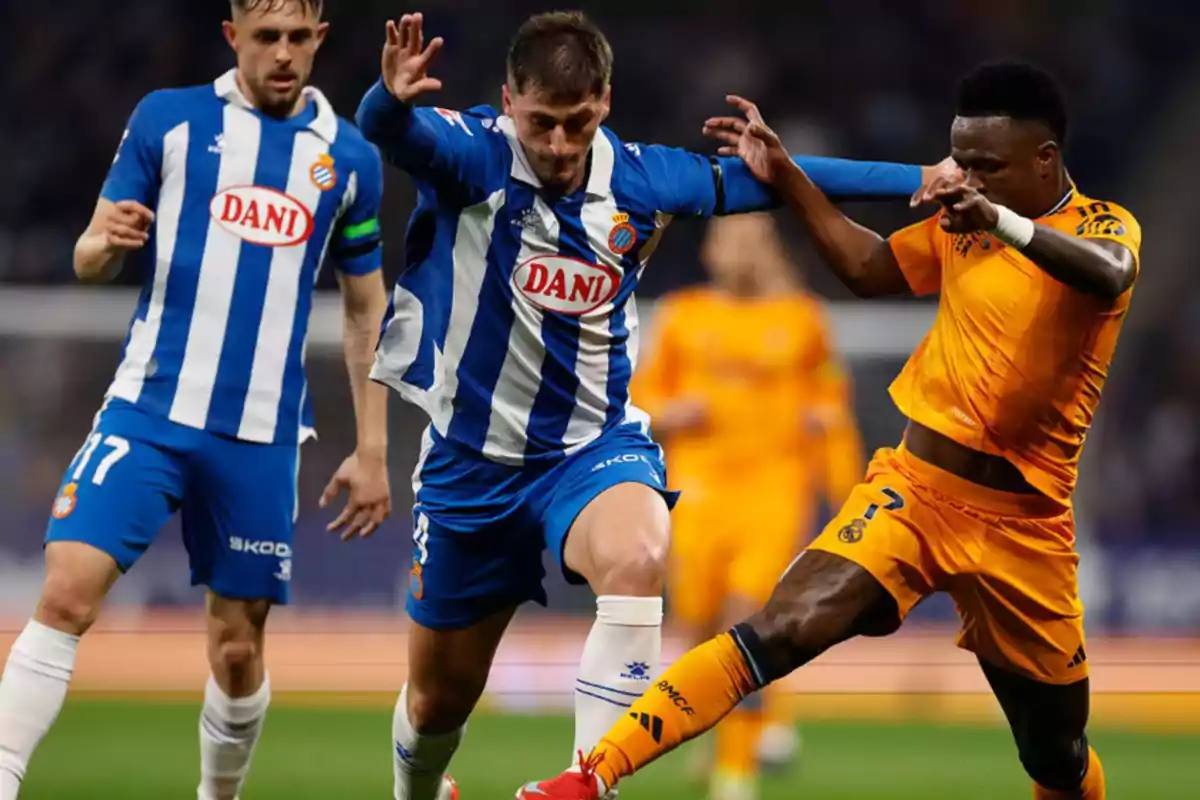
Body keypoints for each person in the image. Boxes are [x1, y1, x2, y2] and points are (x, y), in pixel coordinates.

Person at [356, 12, 952, 800]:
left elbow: (777, 175)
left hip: (589, 451)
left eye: (578, 122)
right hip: (473, 464)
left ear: (605, 101)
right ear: (509, 102)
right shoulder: (472, 155)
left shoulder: (644, 179)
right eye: (541, 124)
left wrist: (916, 178)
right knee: (437, 704)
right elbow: (387, 130)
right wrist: (386, 100)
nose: (561, 145)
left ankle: (588, 783)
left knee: (639, 556)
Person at [520, 60, 1141, 800]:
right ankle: (589, 779)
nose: (967, 178)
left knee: (1056, 755)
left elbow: (1111, 272)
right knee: (779, 627)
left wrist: (1000, 224)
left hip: (1026, 528)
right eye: (961, 160)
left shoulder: (1097, 225)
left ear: (1046, 160)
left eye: (987, 165)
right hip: (916, 494)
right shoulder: (962, 223)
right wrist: (786, 178)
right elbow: (869, 267)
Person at [0, 2, 393, 798]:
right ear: (232, 37)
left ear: (320, 38)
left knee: (238, 650)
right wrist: (99, 245)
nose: (282, 55)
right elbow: (89, 257)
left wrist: (373, 444)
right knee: (68, 590)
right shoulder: (168, 121)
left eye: (297, 39)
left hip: (259, 436)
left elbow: (364, 307)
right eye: (265, 38)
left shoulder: (349, 159)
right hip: (148, 409)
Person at [630, 213, 862, 799]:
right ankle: (727, 733)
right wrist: (669, 413)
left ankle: (737, 774)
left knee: (745, 617)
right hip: (696, 492)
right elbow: (640, 401)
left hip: (774, 491)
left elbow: (832, 408)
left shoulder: (802, 320)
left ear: (770, 249)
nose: (740, 252)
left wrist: (848, 495)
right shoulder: (683, 316)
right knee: (699, 628)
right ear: (710, 250)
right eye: (730, 240)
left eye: (753, 241)